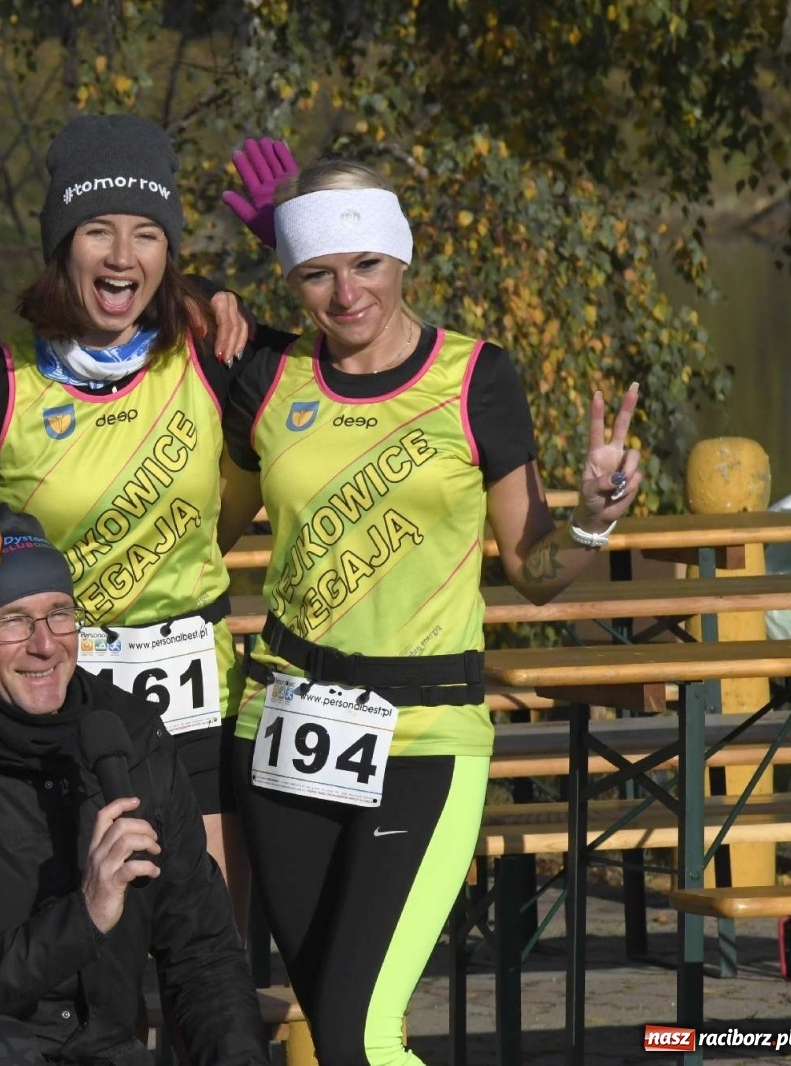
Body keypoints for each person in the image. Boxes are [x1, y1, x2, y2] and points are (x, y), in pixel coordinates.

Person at [216, 139, 644, 1065]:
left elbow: (531, 569)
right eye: (317, 275)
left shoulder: (476, 378)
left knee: (363, 1035)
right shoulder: (270, 380)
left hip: (426, 739)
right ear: (291, 280)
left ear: (403, 255)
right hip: (284, 728)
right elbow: (193, 538)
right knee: (331, 1028)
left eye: (366, 263)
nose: (346, 295)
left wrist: (596, 522)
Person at [0, 114, 254, 926]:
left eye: (146, 234)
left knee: (210, 956)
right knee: (87, 957)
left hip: (194, 704)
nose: (123, 257)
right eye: (98, 231)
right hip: (51, 705)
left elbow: (346, 374)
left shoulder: (211, 351)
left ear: (169, 253)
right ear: (63, 244)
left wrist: (289, 244)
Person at [0, 503, 270, 1066]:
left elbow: (204, 955)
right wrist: (85, 917)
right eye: (10, 621)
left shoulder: (130, 739)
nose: (45, 644)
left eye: (58, 614)